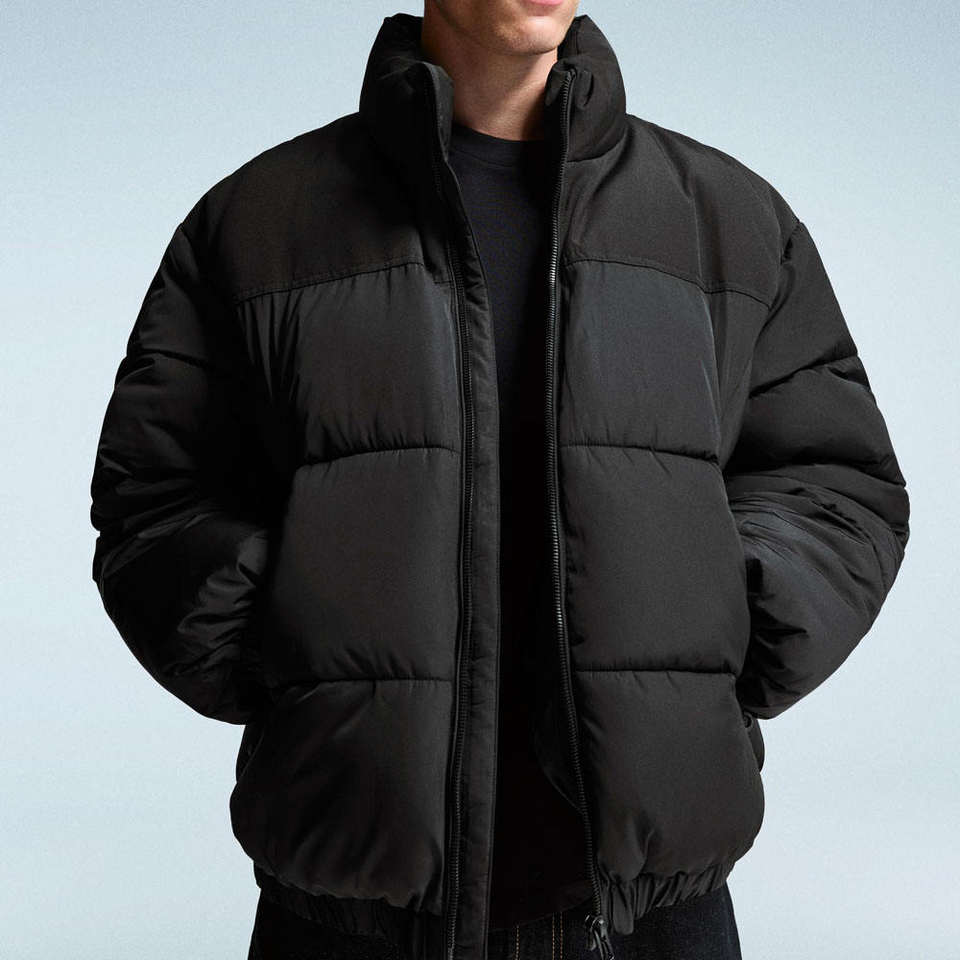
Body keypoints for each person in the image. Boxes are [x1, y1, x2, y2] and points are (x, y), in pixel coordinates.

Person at [88, 3, 910, 960]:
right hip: (352, 911)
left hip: (647, 915)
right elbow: (154, 496)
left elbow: (837, 484)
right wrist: (291, 641)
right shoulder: (262, 220)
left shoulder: (724, 219)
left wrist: (720, 633)